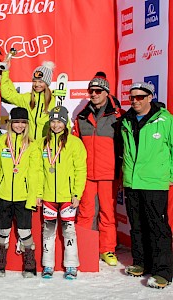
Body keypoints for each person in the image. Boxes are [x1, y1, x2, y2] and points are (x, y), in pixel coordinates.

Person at [121, 82, 173, 289]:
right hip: (132, 181)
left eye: (140, 97)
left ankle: (163, 271)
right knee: (137, 225)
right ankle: (141, 262)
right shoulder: (126, 120)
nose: (135, 101)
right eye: (132, 97)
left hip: (154, 181)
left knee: (158, 227)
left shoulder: (165, 119)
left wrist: (170, 174)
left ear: (150, 97)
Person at [73, 72, 124, 266]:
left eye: (98, 91)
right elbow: (75, 146)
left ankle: (107, 248)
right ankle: (86, 247)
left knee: (107, 212)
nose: (94, 94)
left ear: (106, 92)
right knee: (86, 211)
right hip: (86, 173)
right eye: (91, 91)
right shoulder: (82, 116)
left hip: (109, 173)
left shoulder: (118, 116)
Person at [0, 107, 41, 278]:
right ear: (10, 123)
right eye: (16, 122)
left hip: (23, 196)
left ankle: (30, 264)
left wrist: (32, 198)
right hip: (3, 195)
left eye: (23, 122)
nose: (19, 125)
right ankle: (0, 263)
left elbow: (34, 174)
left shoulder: (32, 145)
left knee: (25, 231)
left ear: (27, 124)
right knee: (3, 231)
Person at [38, 106, 87, 279]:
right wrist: (38, 193)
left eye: (59, 121)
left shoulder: (75, 143)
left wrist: (76, 193)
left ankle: (72, 265)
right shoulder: (42, 142)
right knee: (48, 232)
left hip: (67, 196)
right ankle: (48, 265)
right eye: (53, 121)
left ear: (65, 123)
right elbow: (38, 171)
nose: (56, 125)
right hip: (48, 196)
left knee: (69, 231)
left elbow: (80, 170)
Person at [0, 60, 56, 141]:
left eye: (40, 82)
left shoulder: (54, 100)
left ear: (47, 83)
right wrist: (5, 72)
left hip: (46, 143)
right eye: (34, 81)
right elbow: (7, 95)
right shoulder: (27, 98)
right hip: (29, 143)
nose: (37, 85)